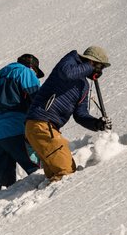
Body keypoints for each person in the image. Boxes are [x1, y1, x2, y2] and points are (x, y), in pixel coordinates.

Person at [25, 46, 113, 183]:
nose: (100, 71)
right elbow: (67, 73)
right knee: (66, 173)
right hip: (41, 123)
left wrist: (97, 123)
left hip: (47, 128)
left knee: (57, 175)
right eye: (100, 67)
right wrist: (90, 68)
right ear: (92, 62)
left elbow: (80, 115)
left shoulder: (83, 86)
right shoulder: (70, 60)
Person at [0, 54, 44, 196]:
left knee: (4, 186)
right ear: (31, 67)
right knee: (40, 172)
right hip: (15, 129)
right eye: (35, 72)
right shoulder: (24, 72)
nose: (35, 75)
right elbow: (38, 97)